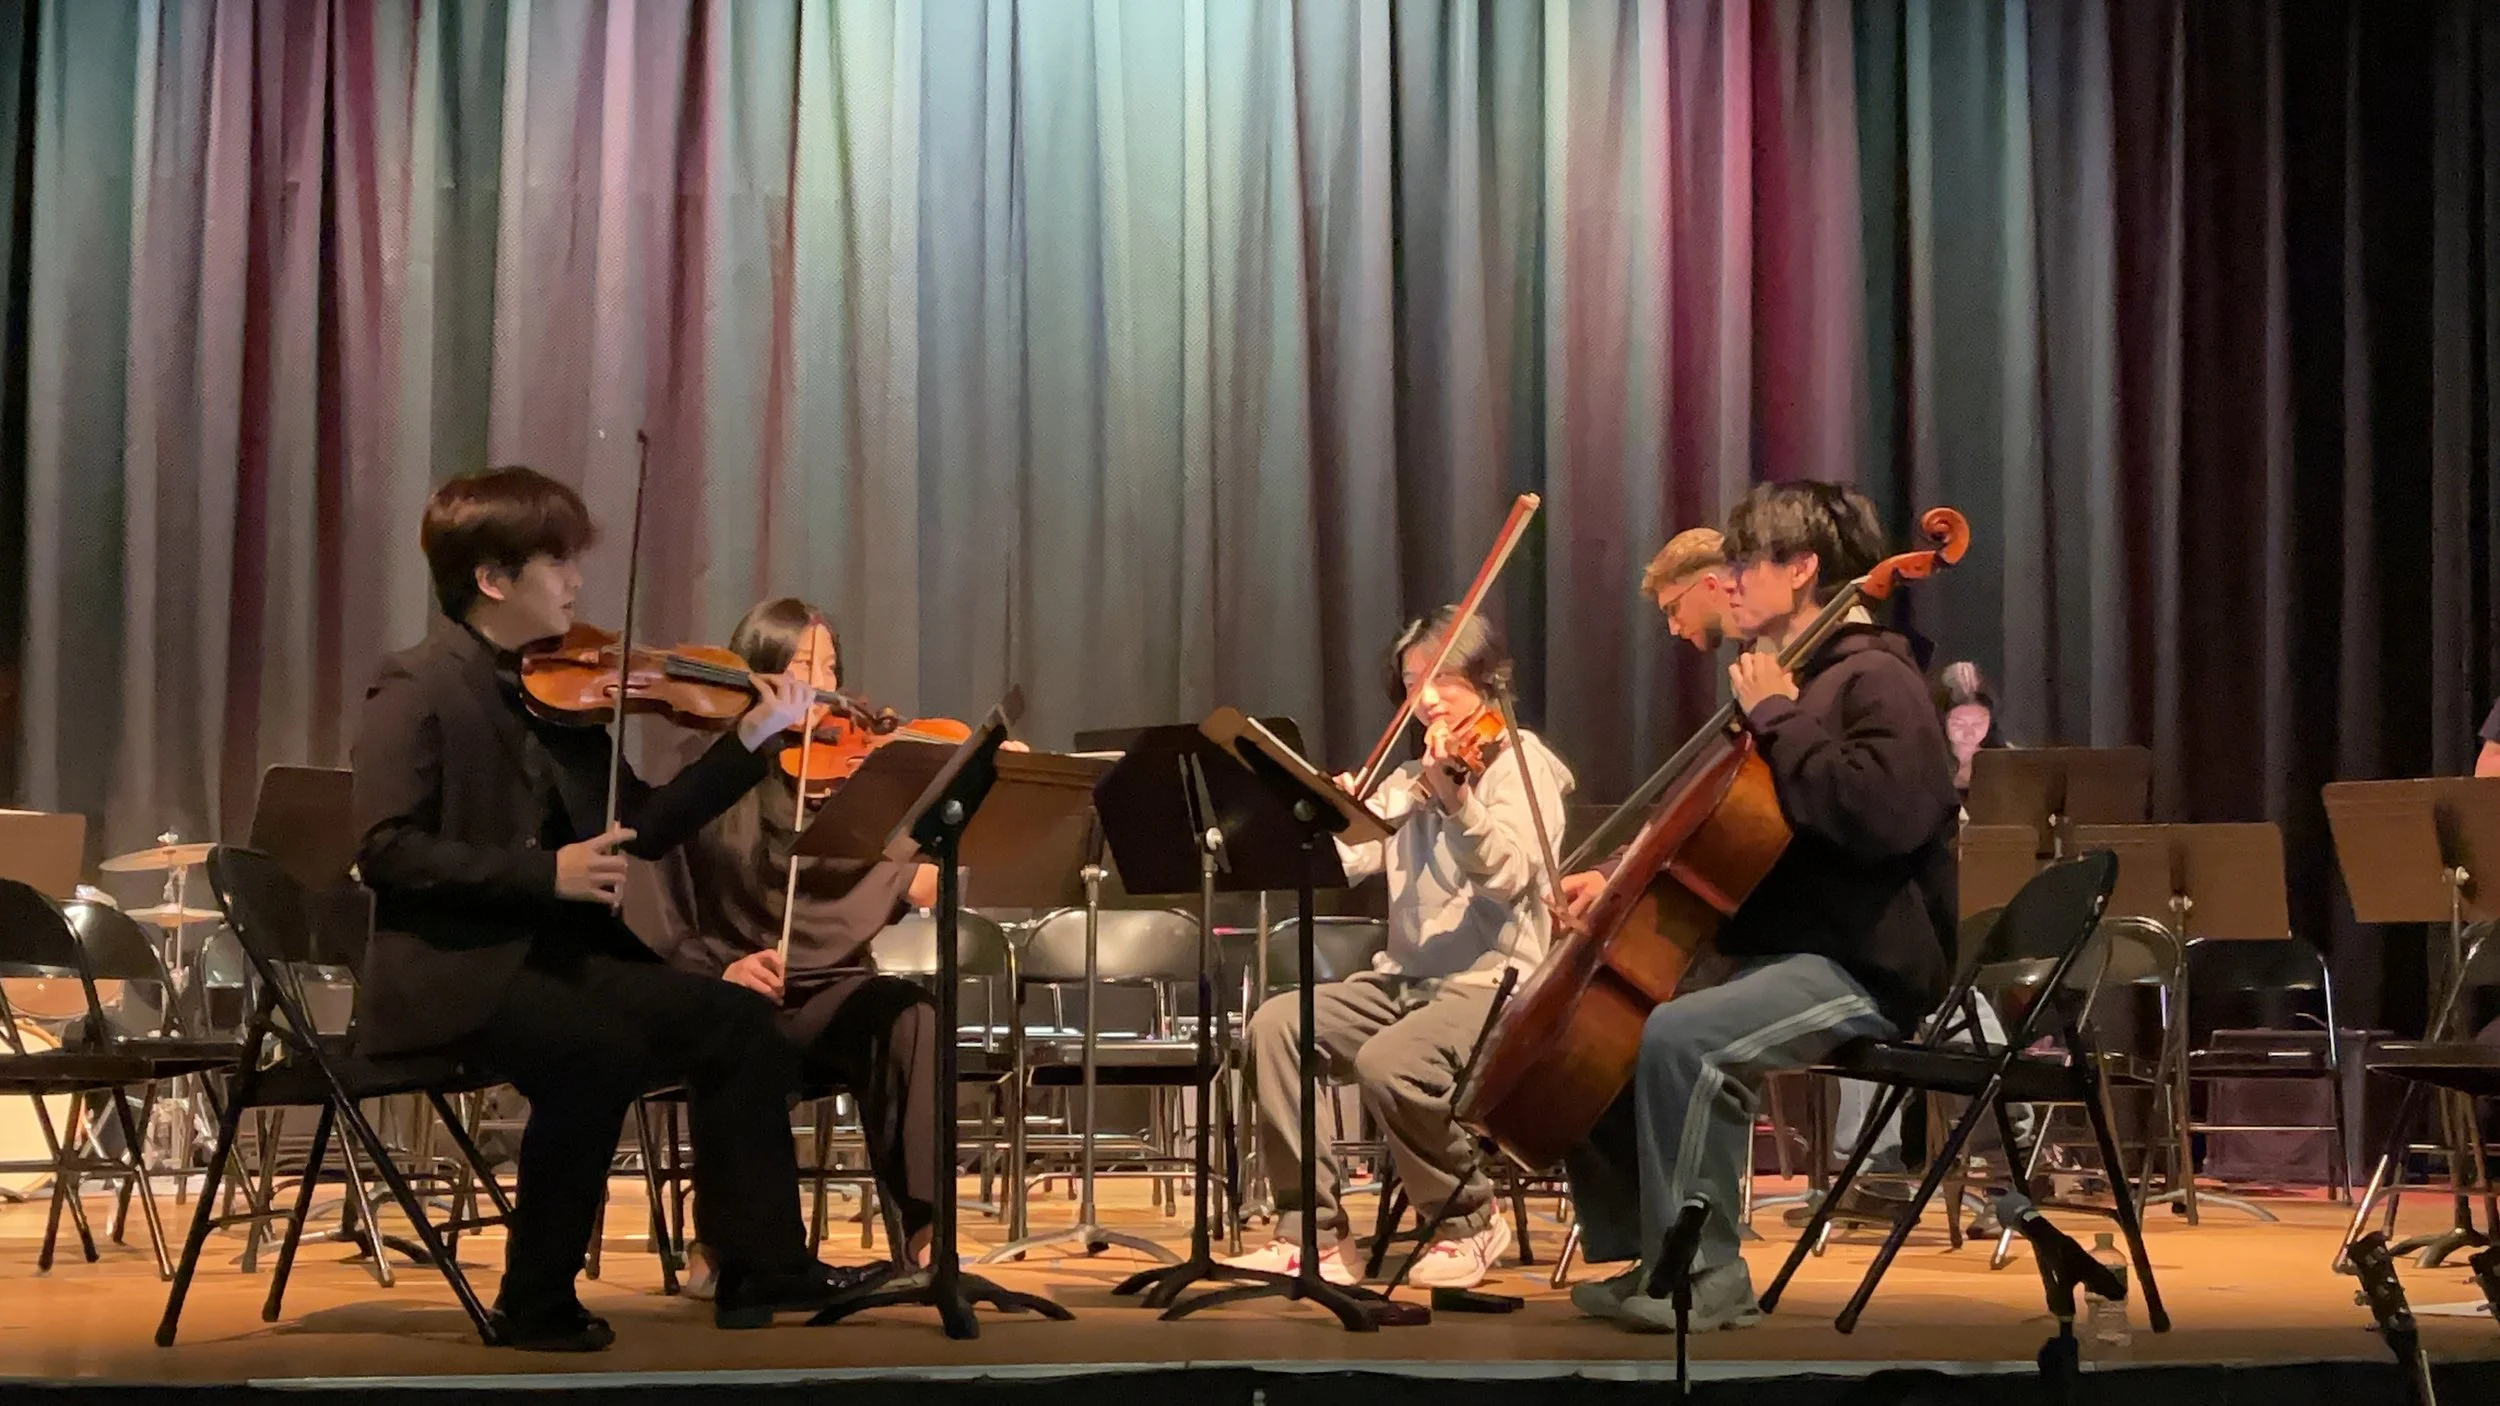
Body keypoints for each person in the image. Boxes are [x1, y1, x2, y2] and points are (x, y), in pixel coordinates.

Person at [351, 467, 863, 1350]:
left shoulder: (559, 700)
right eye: (557, 561)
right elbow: (385, 850)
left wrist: (750, 744)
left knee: (740, 1021)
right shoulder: (416, 686)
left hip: (561, 965)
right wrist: (543, 875)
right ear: (492, 580)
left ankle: (761, 1264)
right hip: (456, 973)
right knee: (598, 1050)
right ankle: (535, 1299)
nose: (577, 582)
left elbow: (647, 831)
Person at [1554, 481, 1960, 1333]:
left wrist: (1778, 715)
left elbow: (1883, 815)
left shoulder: (1874, 676)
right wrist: (1629, 878)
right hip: (1787, 952)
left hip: (1862, 965)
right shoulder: (1799, 683)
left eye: (1746, 563)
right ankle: (1650, 1256)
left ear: (1805, 567)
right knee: (1606, 1030)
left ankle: (1707, 1278)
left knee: (1683, 1038)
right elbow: (1739, 837)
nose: (1728, 580)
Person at [1222, 607, 1574, 1290]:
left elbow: (1507, 876)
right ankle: (1314, 1237)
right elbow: (1345, 862)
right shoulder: (1412, 774)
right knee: (1274, 1025)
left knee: (1391, 1063)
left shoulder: (1522, 767)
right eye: (1415, 683)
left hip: (1492, 989)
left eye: (1444, 677)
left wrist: (1459, 802)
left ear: (1485, 678)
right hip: (1406, 982)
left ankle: (1469, 1218)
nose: (1430, 698)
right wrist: (1326, 814)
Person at [654, 598, 947, 1297]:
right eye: (800, 667)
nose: (822, 686)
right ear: (756, 674)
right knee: (735, 1030)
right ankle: (745, 1251)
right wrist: (720, 968)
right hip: (735, 988)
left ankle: (930, 1238)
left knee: (910, 1016)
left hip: (834, 990)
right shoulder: (710, 777)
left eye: (830, 668)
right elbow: (664, 905)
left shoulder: (854, 779)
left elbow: (916, 885)